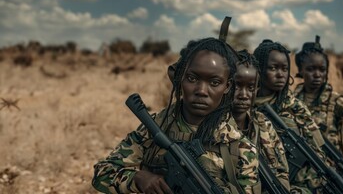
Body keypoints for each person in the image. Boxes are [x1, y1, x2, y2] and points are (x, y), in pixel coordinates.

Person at [92, 37, 260, 194]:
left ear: (228, 86)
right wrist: (138, 178)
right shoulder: (155, 127)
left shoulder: (240, 148)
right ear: (180, 79)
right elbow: (103, 172)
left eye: (214, 83)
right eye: (192, 79)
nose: (201, 91)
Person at [252, 39, 326, 193]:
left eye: (285, 69)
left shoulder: (295, 107)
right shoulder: (244, 103)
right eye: (273, 68)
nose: (280, 74)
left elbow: (317, 156)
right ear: (259, 69)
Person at [293, 36, 343, 175]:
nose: (317, 74)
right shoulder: (292, 101)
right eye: (310, 69)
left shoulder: (337, 102)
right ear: (301, 70)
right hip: (299, 175)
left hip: (331, 174)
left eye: (322, 69)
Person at [232, 50, 290, 191]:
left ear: (257, 89)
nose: (244, 95)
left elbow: (282, 171)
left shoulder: (263, 122)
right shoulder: (216, 126)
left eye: (250, 88)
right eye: (237, 86)